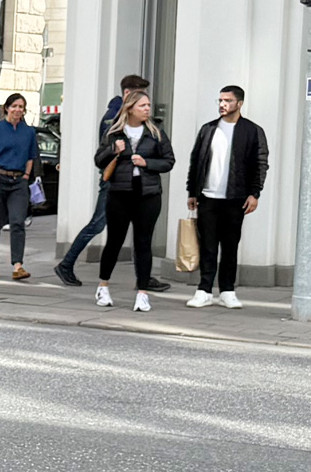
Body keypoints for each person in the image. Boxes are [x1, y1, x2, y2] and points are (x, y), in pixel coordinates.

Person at [56, 74, 170, 293]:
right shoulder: (114, 118)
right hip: (117, 183)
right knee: (98, 224)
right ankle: (67, 264)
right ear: (128, 94)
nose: (147, 103)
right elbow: (105, 152)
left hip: (132, 183)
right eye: (142, 98)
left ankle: (143, 278)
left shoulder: (131, 120)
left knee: (140, 234)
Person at [186, 85, 270, 309]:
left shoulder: (252, 131)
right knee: (208, 246)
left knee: (230, 246)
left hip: (236, 198)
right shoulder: (208, 129)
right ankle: (204, 290)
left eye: (228, 100)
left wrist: (255, 193)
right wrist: (192, 191)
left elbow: (260, 164)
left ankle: (227, 291)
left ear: (239, 103)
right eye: (220, 100)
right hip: (208, 197)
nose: (223, 104)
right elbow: (196, 162)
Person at [94, 89, 175, 312]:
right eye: (143, 106)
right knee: (115, 241)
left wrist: (147, 163)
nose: (147, 109)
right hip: (119, 193)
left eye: (148, 105)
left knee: (143, 243)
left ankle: (142, 293)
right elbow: (99, 161)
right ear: (130, 108)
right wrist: (113, 150)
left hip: (147, 194)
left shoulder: (156, 132)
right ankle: (103, 286)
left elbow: (169, 161)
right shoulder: (115, 132)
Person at [0, 93, 40, 281]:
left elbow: (31, 156)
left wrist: (25, 176)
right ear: (6, 108)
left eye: (21, 107)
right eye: (14, 106)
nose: (17, 110)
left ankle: (18, 265)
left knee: (17, 222)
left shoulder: (28, 132)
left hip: (18, 182)